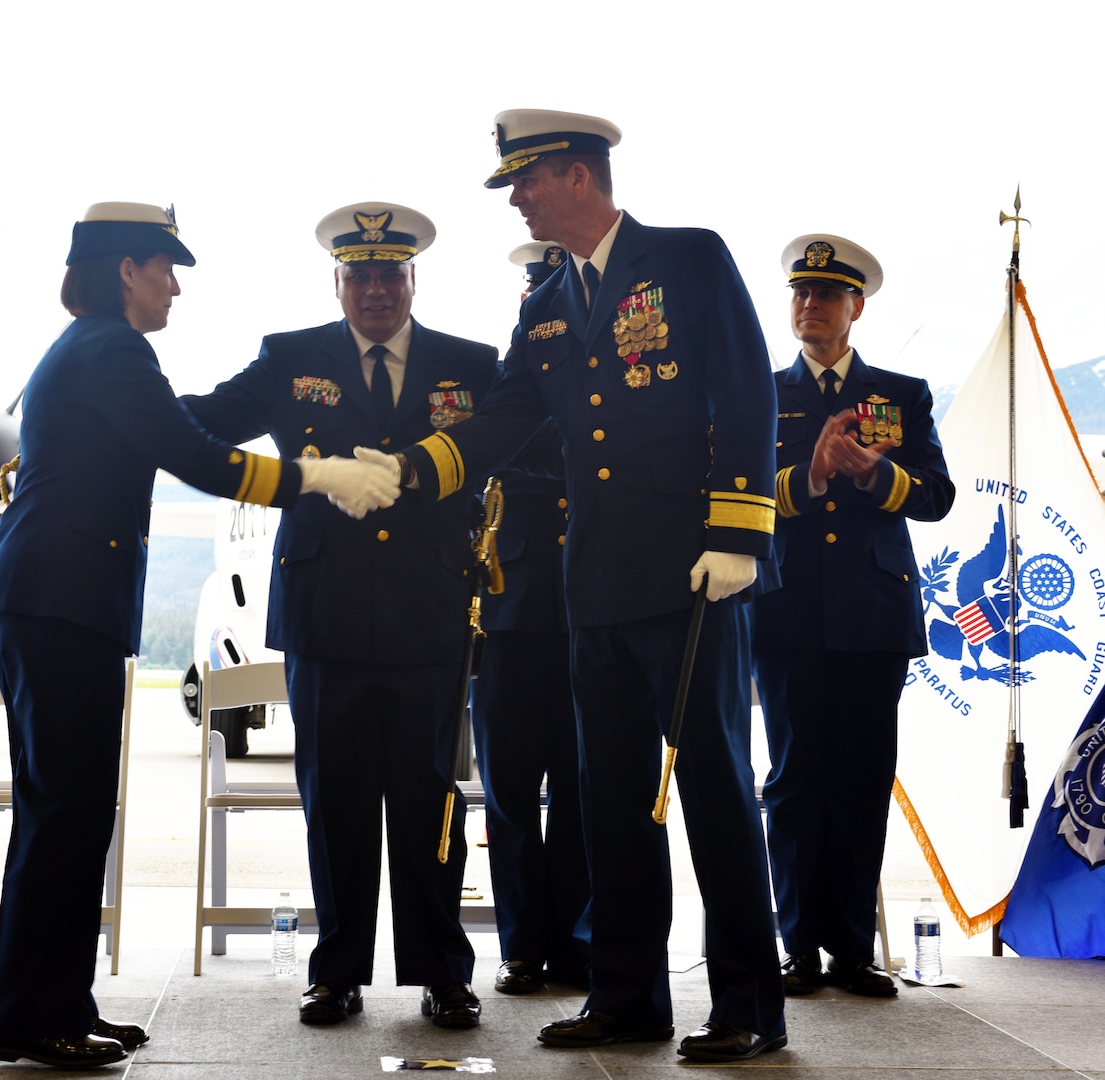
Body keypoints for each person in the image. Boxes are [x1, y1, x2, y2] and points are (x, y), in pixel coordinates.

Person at [381, 110, 788, 1063]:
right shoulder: (548, 302)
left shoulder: (688, 260)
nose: (516, 197)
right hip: (593, 586)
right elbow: (509, 416)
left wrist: (738, 531)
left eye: (525, 179)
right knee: (609, 804)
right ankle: (628, 997)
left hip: (697, 578)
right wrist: (412, 468)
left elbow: (745, 389)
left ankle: (749, 1007)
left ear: (575, 174)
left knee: (717, 794)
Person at [0, 201, 399, 1069]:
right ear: (126, 270)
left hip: (53, 602)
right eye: (165, 270)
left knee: (67, 813)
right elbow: (200, 457)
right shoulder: (113, 348)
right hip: (59, 605)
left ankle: (52, 1003)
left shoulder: (93, 353)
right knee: (65, 814)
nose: (173, 288)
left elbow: (183, 433)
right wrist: (320, 475)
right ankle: (28, 1018)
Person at [180, 203, 499, 1029]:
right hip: (325, 615)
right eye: (359, 274)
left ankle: (443, 973)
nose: (376, 290)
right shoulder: (291, 360)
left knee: (433, 802)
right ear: (337, 282)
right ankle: (336, 971)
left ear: (413, 280)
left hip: (429, 615)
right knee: (337, 800)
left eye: (391, 273)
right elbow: (200, 424)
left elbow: (518, 449)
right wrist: (117, 404)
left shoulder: (469, 366)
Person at [751, 235, 954, 998]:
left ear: (855, 308)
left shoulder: (901, 395)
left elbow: (936, 498)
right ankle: (798, 946)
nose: (811, 307)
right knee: (796, 779)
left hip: (872, 615)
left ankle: (852, 949)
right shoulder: (762, 392)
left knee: (863, 778)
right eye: (801, 294)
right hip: (789, 611)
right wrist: (807, 479)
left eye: (827, 296)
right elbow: (736, 498)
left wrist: (878, 474)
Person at [471, 241, 590, 997]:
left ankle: (577, 944)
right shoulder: (496, 374)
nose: (541, 301)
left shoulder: (608, 379)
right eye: (534, 288)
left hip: (587, 606)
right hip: (508, 607)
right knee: (510, 790)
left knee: (584, 790)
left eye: (555, 287)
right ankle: (520, 945)